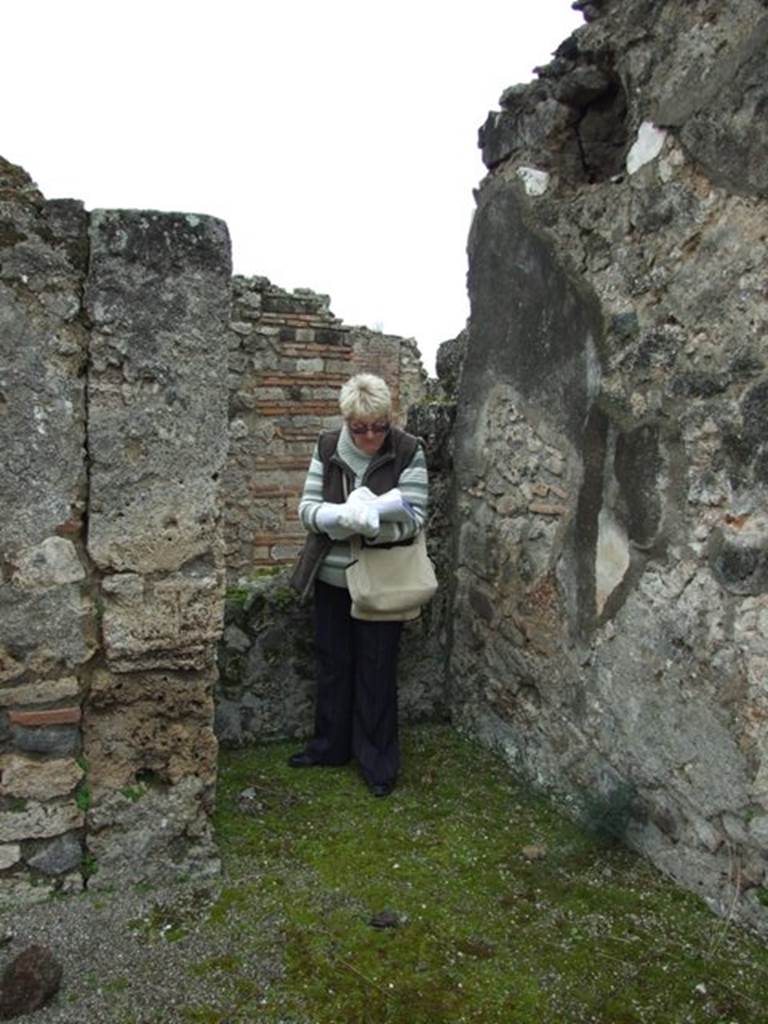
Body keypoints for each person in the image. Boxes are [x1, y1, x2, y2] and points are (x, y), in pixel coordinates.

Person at [289, 373, 429, 797]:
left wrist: (368, 529)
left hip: (382, 581)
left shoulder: (409, 450)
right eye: (360, 428)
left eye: (379, 426)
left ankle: (378, 764)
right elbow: (307, 509)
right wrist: (338, 517)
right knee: (333, 665)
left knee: (377, 670)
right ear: (346, 420)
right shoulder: (327, 447)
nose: (370, 436)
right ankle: (329, 747)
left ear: (390, 419)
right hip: (332, 578)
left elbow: (416, 516)